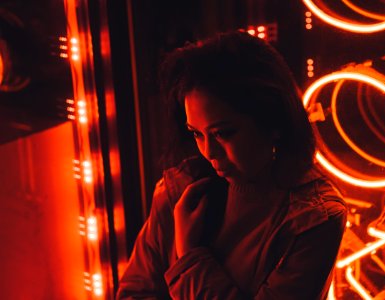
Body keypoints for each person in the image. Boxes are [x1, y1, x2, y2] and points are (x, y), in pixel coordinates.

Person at [116, 30, 347, 300]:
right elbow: (133, 294)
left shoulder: (313, 220)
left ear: (272, 121)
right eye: (196, 133)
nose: (208, 152)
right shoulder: (179, 190)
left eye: (223, 133)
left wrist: (190, 255)